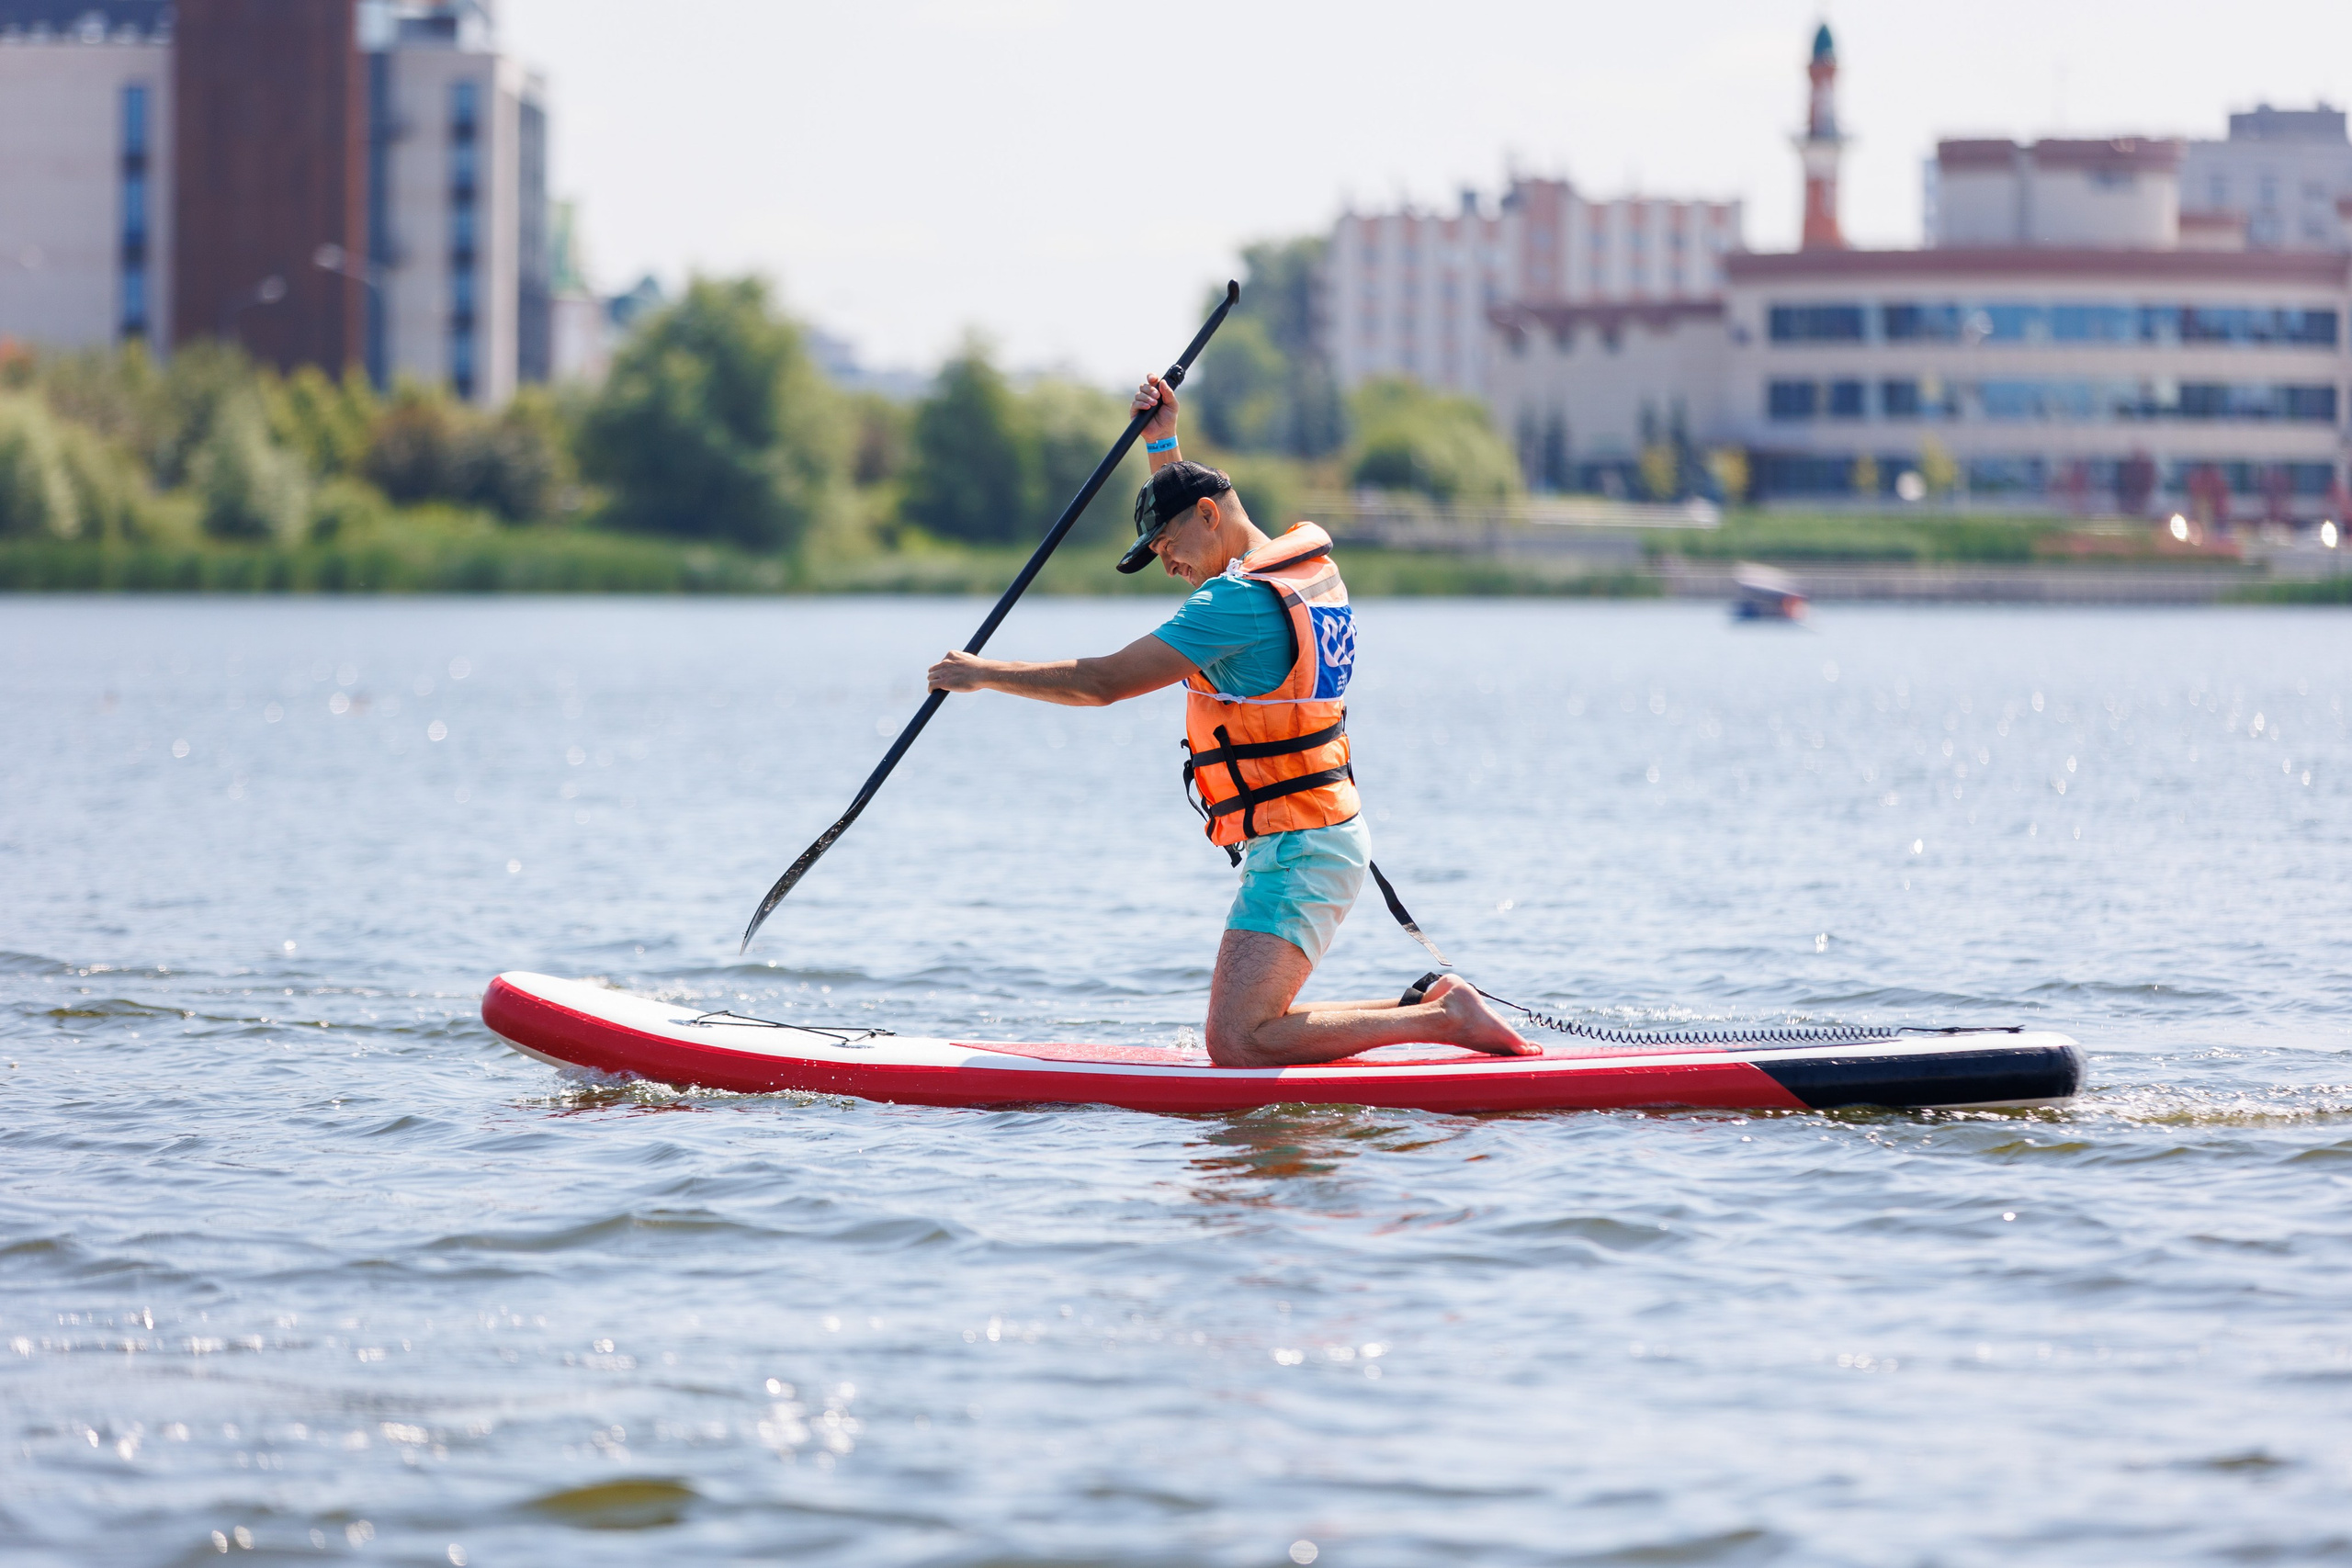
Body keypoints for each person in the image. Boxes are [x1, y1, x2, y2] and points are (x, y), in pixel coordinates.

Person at [926, 373, 1533, 1068]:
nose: (1168, 564)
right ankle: (1432, 1009)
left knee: (1237, 1042)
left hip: (1302, 846)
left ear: (1211, 516)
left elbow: (1103, 683)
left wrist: (983, 673)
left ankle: (1442, 1022)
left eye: (1167, 545)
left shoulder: (1236, 604)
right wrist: (1164, 446)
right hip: (1318, 832)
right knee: (1247, 1029)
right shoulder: (1300, 572)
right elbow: (1195, 521)